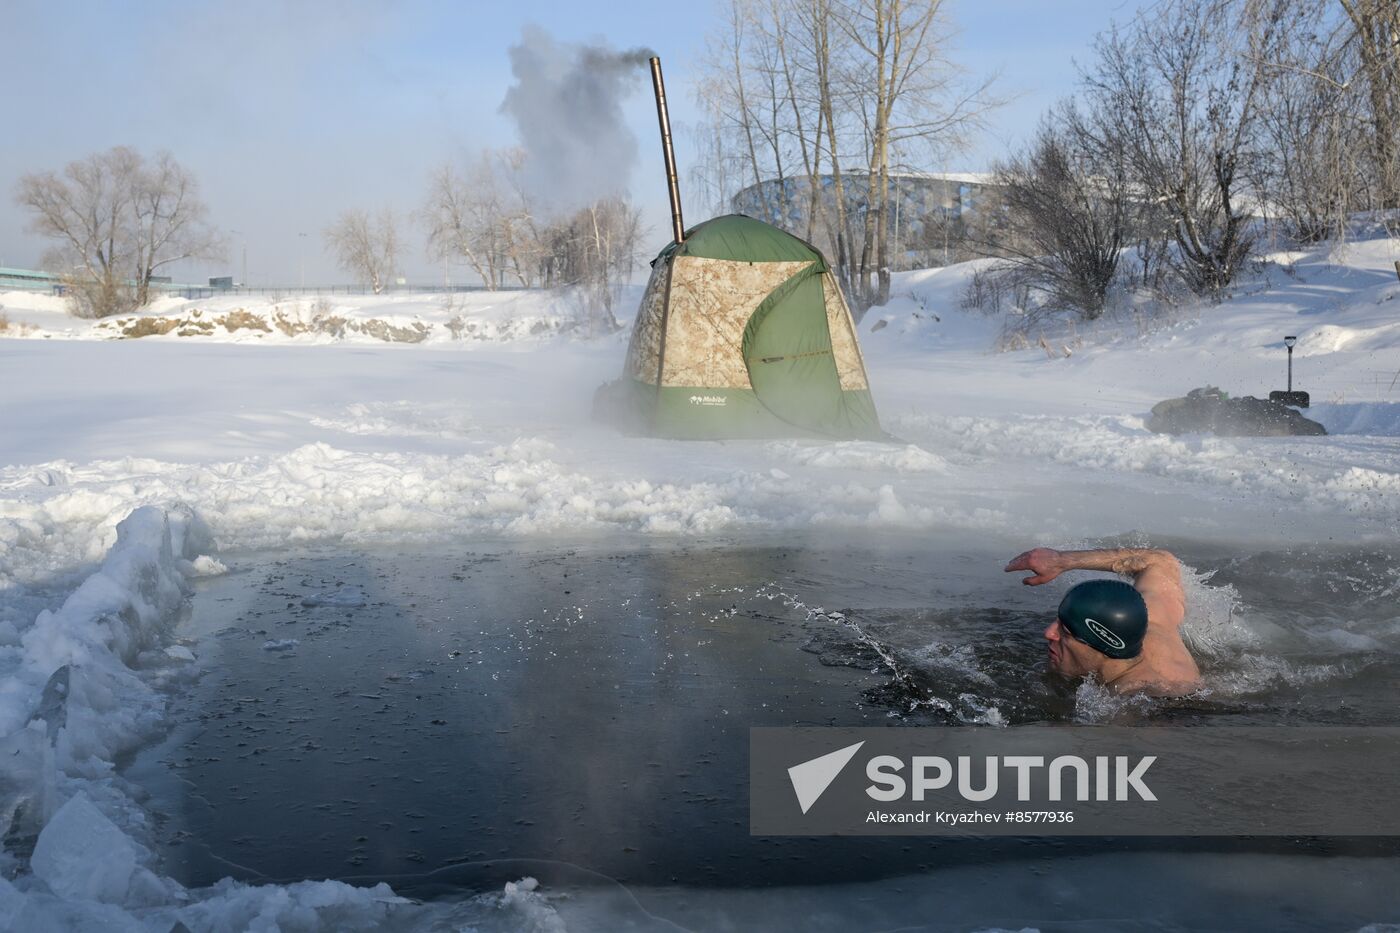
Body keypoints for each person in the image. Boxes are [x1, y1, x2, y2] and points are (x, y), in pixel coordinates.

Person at [1004, 547, 1200, 697]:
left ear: (1105, 643)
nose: (1048, 633)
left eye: (1066, 631)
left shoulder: (1137, 701)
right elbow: (1159, 561)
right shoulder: (1152, 619)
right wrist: (1061, 560)